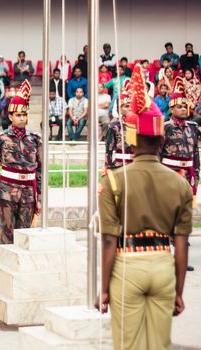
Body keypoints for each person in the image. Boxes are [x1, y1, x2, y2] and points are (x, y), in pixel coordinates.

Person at [97, 65, 191, 350]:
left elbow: (109, 240)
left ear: (132, 139)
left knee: (128, 344)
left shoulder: (113, 181)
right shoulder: (180, 185)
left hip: (128, 264)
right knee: (159, 344)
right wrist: (178, 291)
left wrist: (103, 289)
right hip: (163, 263)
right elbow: (182, 242)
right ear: (163, 139)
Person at [0, 80, 41, 244]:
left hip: (28, 194)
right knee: (7, 236)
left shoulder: (35, 139)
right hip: (6, 193)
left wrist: (40, 199)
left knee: (25, 237)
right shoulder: (1, 138)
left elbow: (40, 171)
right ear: (10, 116)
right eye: (18, 115)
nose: (22, 118)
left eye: (24, 115)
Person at [162, 76, 199, 206]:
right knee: (168, 208)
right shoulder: (165, 127)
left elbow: (195, 155)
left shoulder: (192, 127)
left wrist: (196, 177)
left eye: (185, 106)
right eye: (179, 106)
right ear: (172, 109)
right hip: (169, 172)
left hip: (188, 174)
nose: (183, 109)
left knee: (185, 212)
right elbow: (157, 154)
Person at [105, 81, 133, 169]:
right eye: (127, 106)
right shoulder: (114, 126)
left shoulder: (140, 125)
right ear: (119, 109)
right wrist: (108, 166)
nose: (130, 108)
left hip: (137, 167)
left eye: (132, 105)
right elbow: (108, 150)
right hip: (120, 165)